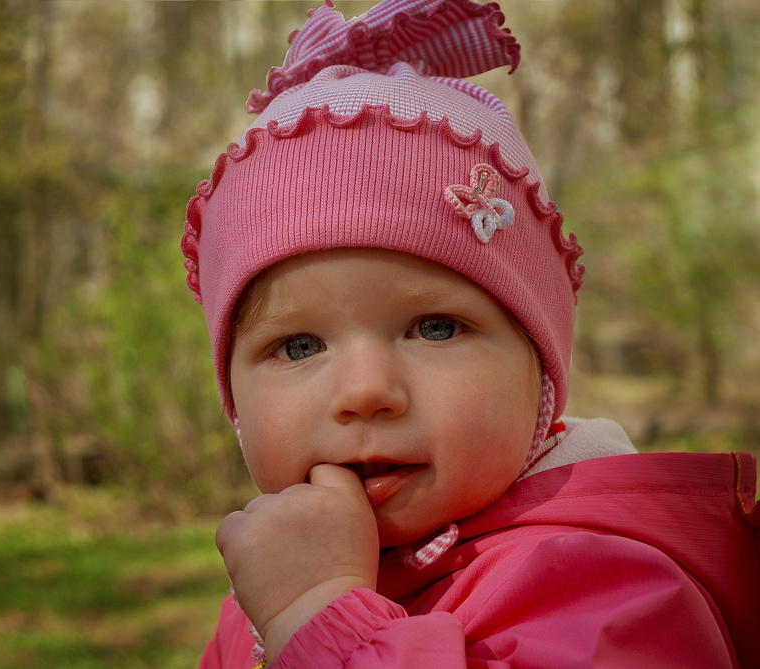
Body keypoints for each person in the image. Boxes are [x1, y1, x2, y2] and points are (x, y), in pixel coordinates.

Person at [179, 1, 760, 666]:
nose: (366, 390)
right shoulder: (271, 581)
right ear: (233, 399)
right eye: (299, 345)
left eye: (433, 327)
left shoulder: (610, 580)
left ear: (538, 369)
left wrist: (320, 620)